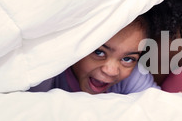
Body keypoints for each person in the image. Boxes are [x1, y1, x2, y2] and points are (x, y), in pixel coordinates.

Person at [29, 15, 159, 94]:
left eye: (128, 59)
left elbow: (159, 108)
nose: (111, 71)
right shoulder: (48, 74)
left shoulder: (131, 77)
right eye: (99, 52)